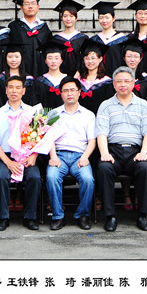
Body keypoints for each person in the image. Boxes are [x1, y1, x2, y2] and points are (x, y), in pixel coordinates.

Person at [95, 66, 147, 232]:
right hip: (113, 151)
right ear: (114, 84)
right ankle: (110, 216)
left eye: (127, 81)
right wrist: (104, 153)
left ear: (134, 83)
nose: (123, 84)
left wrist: (144, 152)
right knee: (104, 168)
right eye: (119, 81)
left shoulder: (143, 105)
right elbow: (101, 132)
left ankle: (143, 215)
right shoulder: (105, 105)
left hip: (135, 152)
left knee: (145, 169)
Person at [0, 75, 43, 231]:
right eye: (11, 87)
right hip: (5, 156)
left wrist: (33, 156)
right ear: (6, 90)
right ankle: (3, 217)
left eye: (18, 87)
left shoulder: (33, 111)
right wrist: (8, 162)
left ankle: (30, 217)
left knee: (35, 177)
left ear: (24, 91)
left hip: (27, 156)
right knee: (1, 177)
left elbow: (40, 138)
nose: (14, 91)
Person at [44, 77, 96, 230]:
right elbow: (49, 138)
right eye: (65, 90)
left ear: (79, 92)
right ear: (61, 94)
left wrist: (85, 157)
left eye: (73, 90)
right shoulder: (53, 113)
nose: (69, 93)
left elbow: (92, 141)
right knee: (52, 177)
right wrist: (53, 156)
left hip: (80, 156)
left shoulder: (88, 115)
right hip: (59, 155)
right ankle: (58, 216)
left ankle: (82, 215)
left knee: (88, 179)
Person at [8, 0, 52, 77]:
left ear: (38, 6)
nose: (30, 6)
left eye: (33, 3)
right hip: (20, 71)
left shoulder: (44, 28)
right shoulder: (14, 27)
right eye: (26, 4)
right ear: (21, 7)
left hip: (41, 69)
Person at [0, 43, 37, 111]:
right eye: (10, 57)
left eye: (17, 57)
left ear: (21, 58)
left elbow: (31, 102)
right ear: (6, 58)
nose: (13, 60)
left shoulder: (29, 80)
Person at [90, 1, 128, 75]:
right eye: (101, 17)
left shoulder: (123, 40)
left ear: (114, 18)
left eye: (107, 17)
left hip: (117, 77)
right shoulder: (94, 40)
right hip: (98, 78)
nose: (104, 20)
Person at [52, 0, 87, 77]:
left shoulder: (83, 39)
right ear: (62, 18)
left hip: (79, 77)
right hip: (59, 76)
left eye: (71, 16)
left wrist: (78, 74)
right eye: (65, 16)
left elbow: (85, 58)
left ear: (76, 18)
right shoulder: (56, 39)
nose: (68, 19)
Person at [76, 39, 113, 114]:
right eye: (87, 58)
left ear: (100, 59)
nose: (90, 61)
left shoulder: (107, 82)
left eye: (93, 58)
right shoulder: (78, 81)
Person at [33, 40, 68, 109]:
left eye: (56, 58)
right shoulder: (39, 81)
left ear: (61, 60)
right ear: (45, 61)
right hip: (45, 115)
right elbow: (35, 103)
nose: (53, 61)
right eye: (50, 58)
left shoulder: (68, 80)